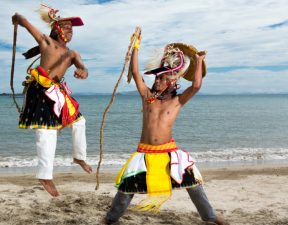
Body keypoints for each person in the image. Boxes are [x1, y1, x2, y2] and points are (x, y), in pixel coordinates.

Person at [103, 34, 229, 224]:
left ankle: (210, 217)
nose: (157, 81)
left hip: (169, 152)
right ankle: (109, 220)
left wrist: (199, 60)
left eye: (162, 78)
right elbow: (136, 73)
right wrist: (136, 46)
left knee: (194, 184)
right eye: (157, 78)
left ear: (172, 82)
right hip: (144, 152)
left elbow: (195, 86)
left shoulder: (177, 101)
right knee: (127, 188)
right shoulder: (147, 97)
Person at [12, 5, 92, 197]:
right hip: (40, 90)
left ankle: (79, 158)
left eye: (72, 30)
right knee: (46, 132)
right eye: (67, 28)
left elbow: (83, 67)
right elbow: (24, 21)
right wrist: (17, 17)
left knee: (79, 121)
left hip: (57, 90)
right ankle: (45, 176)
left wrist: (83, 72)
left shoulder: (73, 53)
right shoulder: (46, 42)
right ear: (57, 29)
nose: (70, 32)